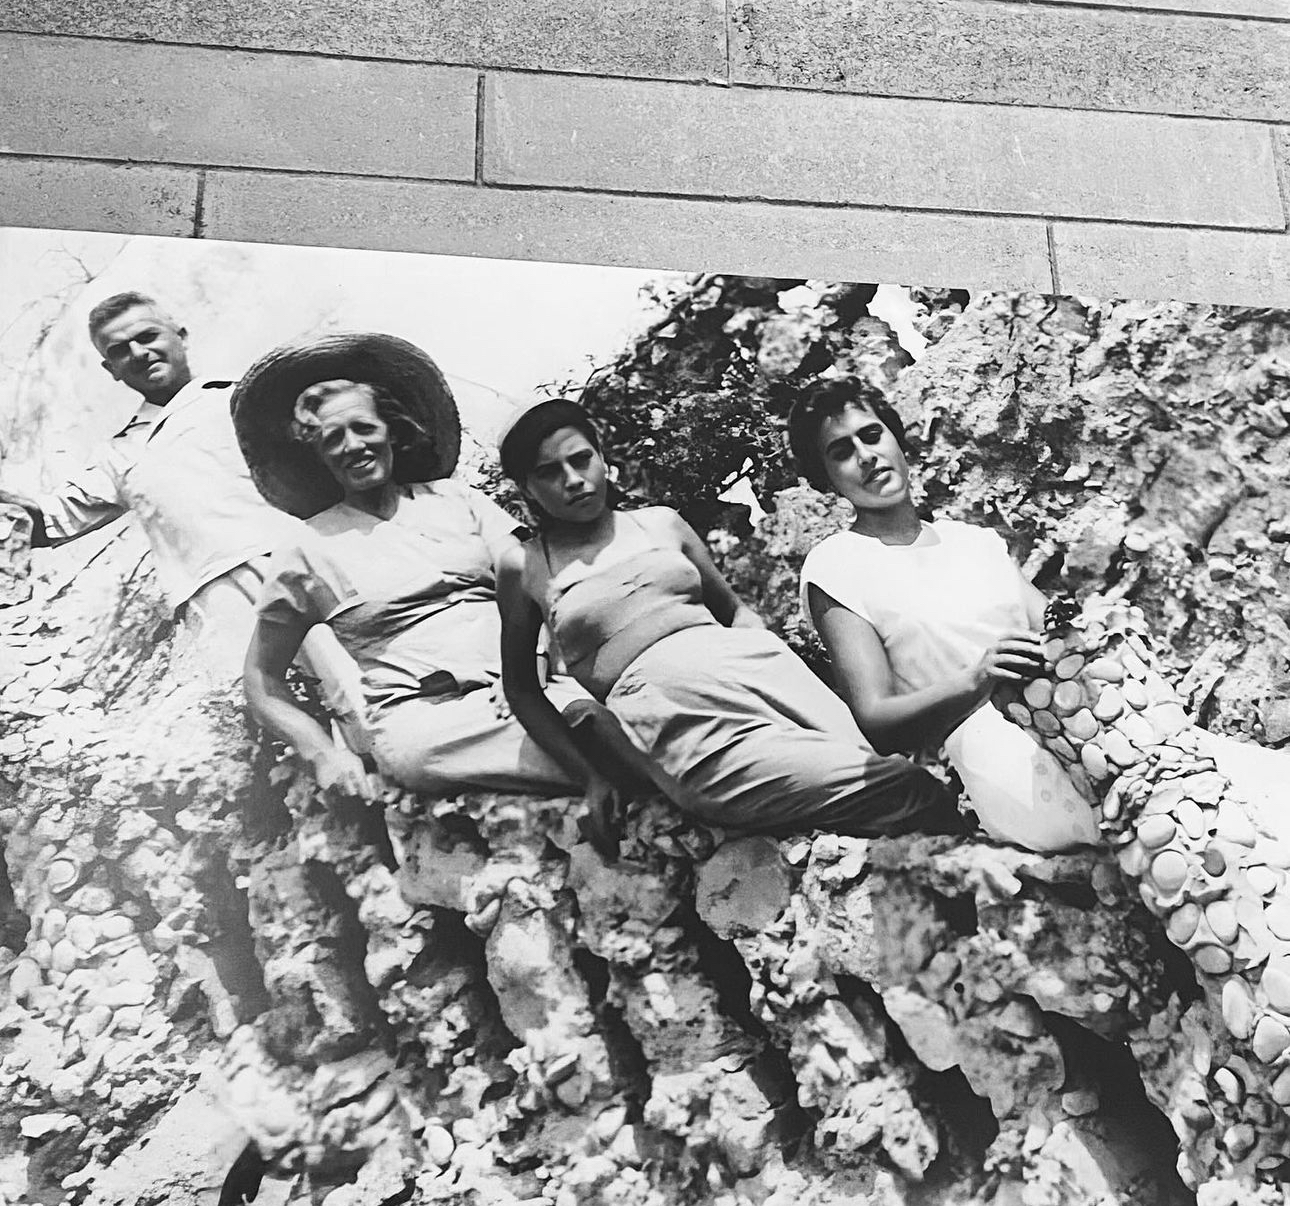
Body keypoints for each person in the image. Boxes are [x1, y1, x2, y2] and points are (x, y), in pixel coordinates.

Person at [495, 397, 966, 843]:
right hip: (677, 720)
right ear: (526, 488)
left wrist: (765, 652)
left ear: (601, 458)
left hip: (762, 676)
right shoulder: (526, 565)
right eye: (548, 472)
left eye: (581, 460)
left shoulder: (660, 523)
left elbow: (733, 609)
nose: (573, 480)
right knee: (900, 787)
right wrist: (590, 776)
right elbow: (522, 689)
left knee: (891, 769)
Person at [233, 332, 587, 806]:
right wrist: (321, 753)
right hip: (432, 724)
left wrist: (530, 666)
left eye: (364, 428)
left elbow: (532, 577)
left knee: (606, 710)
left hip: (526, 682)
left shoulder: (455, 500)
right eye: (333, 438)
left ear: (391, 430)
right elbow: (262, 678)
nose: (353, 446)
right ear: (316, 454)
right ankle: (602, 761)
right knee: (597, 740)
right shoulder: (306, 550)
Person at [0, 292, 365, 733]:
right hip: (212, 601)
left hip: (291, 564)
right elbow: (47, 522)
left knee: (353, 691)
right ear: (111, 369)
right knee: (273, 727)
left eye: (148, 336)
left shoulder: (244, 397)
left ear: (181, 335)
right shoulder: (119, 452)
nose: (139, 353)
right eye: (120, 350)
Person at [791, 376, 1106, 851]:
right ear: (826, 477)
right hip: (998, 753)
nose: (866, 456)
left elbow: (1052, 628)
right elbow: (877, 720)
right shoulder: (836, 565)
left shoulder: (972, 541)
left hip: (1072, 719)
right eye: (841, 452)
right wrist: (977, 678)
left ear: (896, 439)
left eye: (872, 435)